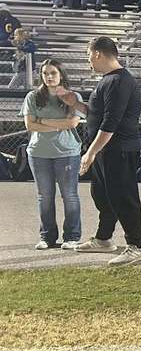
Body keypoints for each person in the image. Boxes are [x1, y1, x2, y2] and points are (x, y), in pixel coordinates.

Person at [59, 37, 141, 265]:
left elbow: (111, 122)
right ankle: (104, 238)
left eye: (89, 55)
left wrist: (90, 153)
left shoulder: (119, 81)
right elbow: (96, 115)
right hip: (105, 150)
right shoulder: (108, 80)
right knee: (103, 195)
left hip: (118, 149)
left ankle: (136, 245)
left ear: (97, 53)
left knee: (123, 196)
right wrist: (75, 104)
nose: (88, 61)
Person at [21, 59, 84, 250]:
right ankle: (47, 237)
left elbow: (72, 123)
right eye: (45, 73)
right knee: (44, 197)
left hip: (67, 153)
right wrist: (56, 124)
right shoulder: (33, 96)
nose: (49, 77)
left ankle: (72, 236)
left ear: (61, 75)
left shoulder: (73, 96)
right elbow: (30, 125)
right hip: (39, 153)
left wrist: (43, 121)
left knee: (69, 195)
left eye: (53, 73)